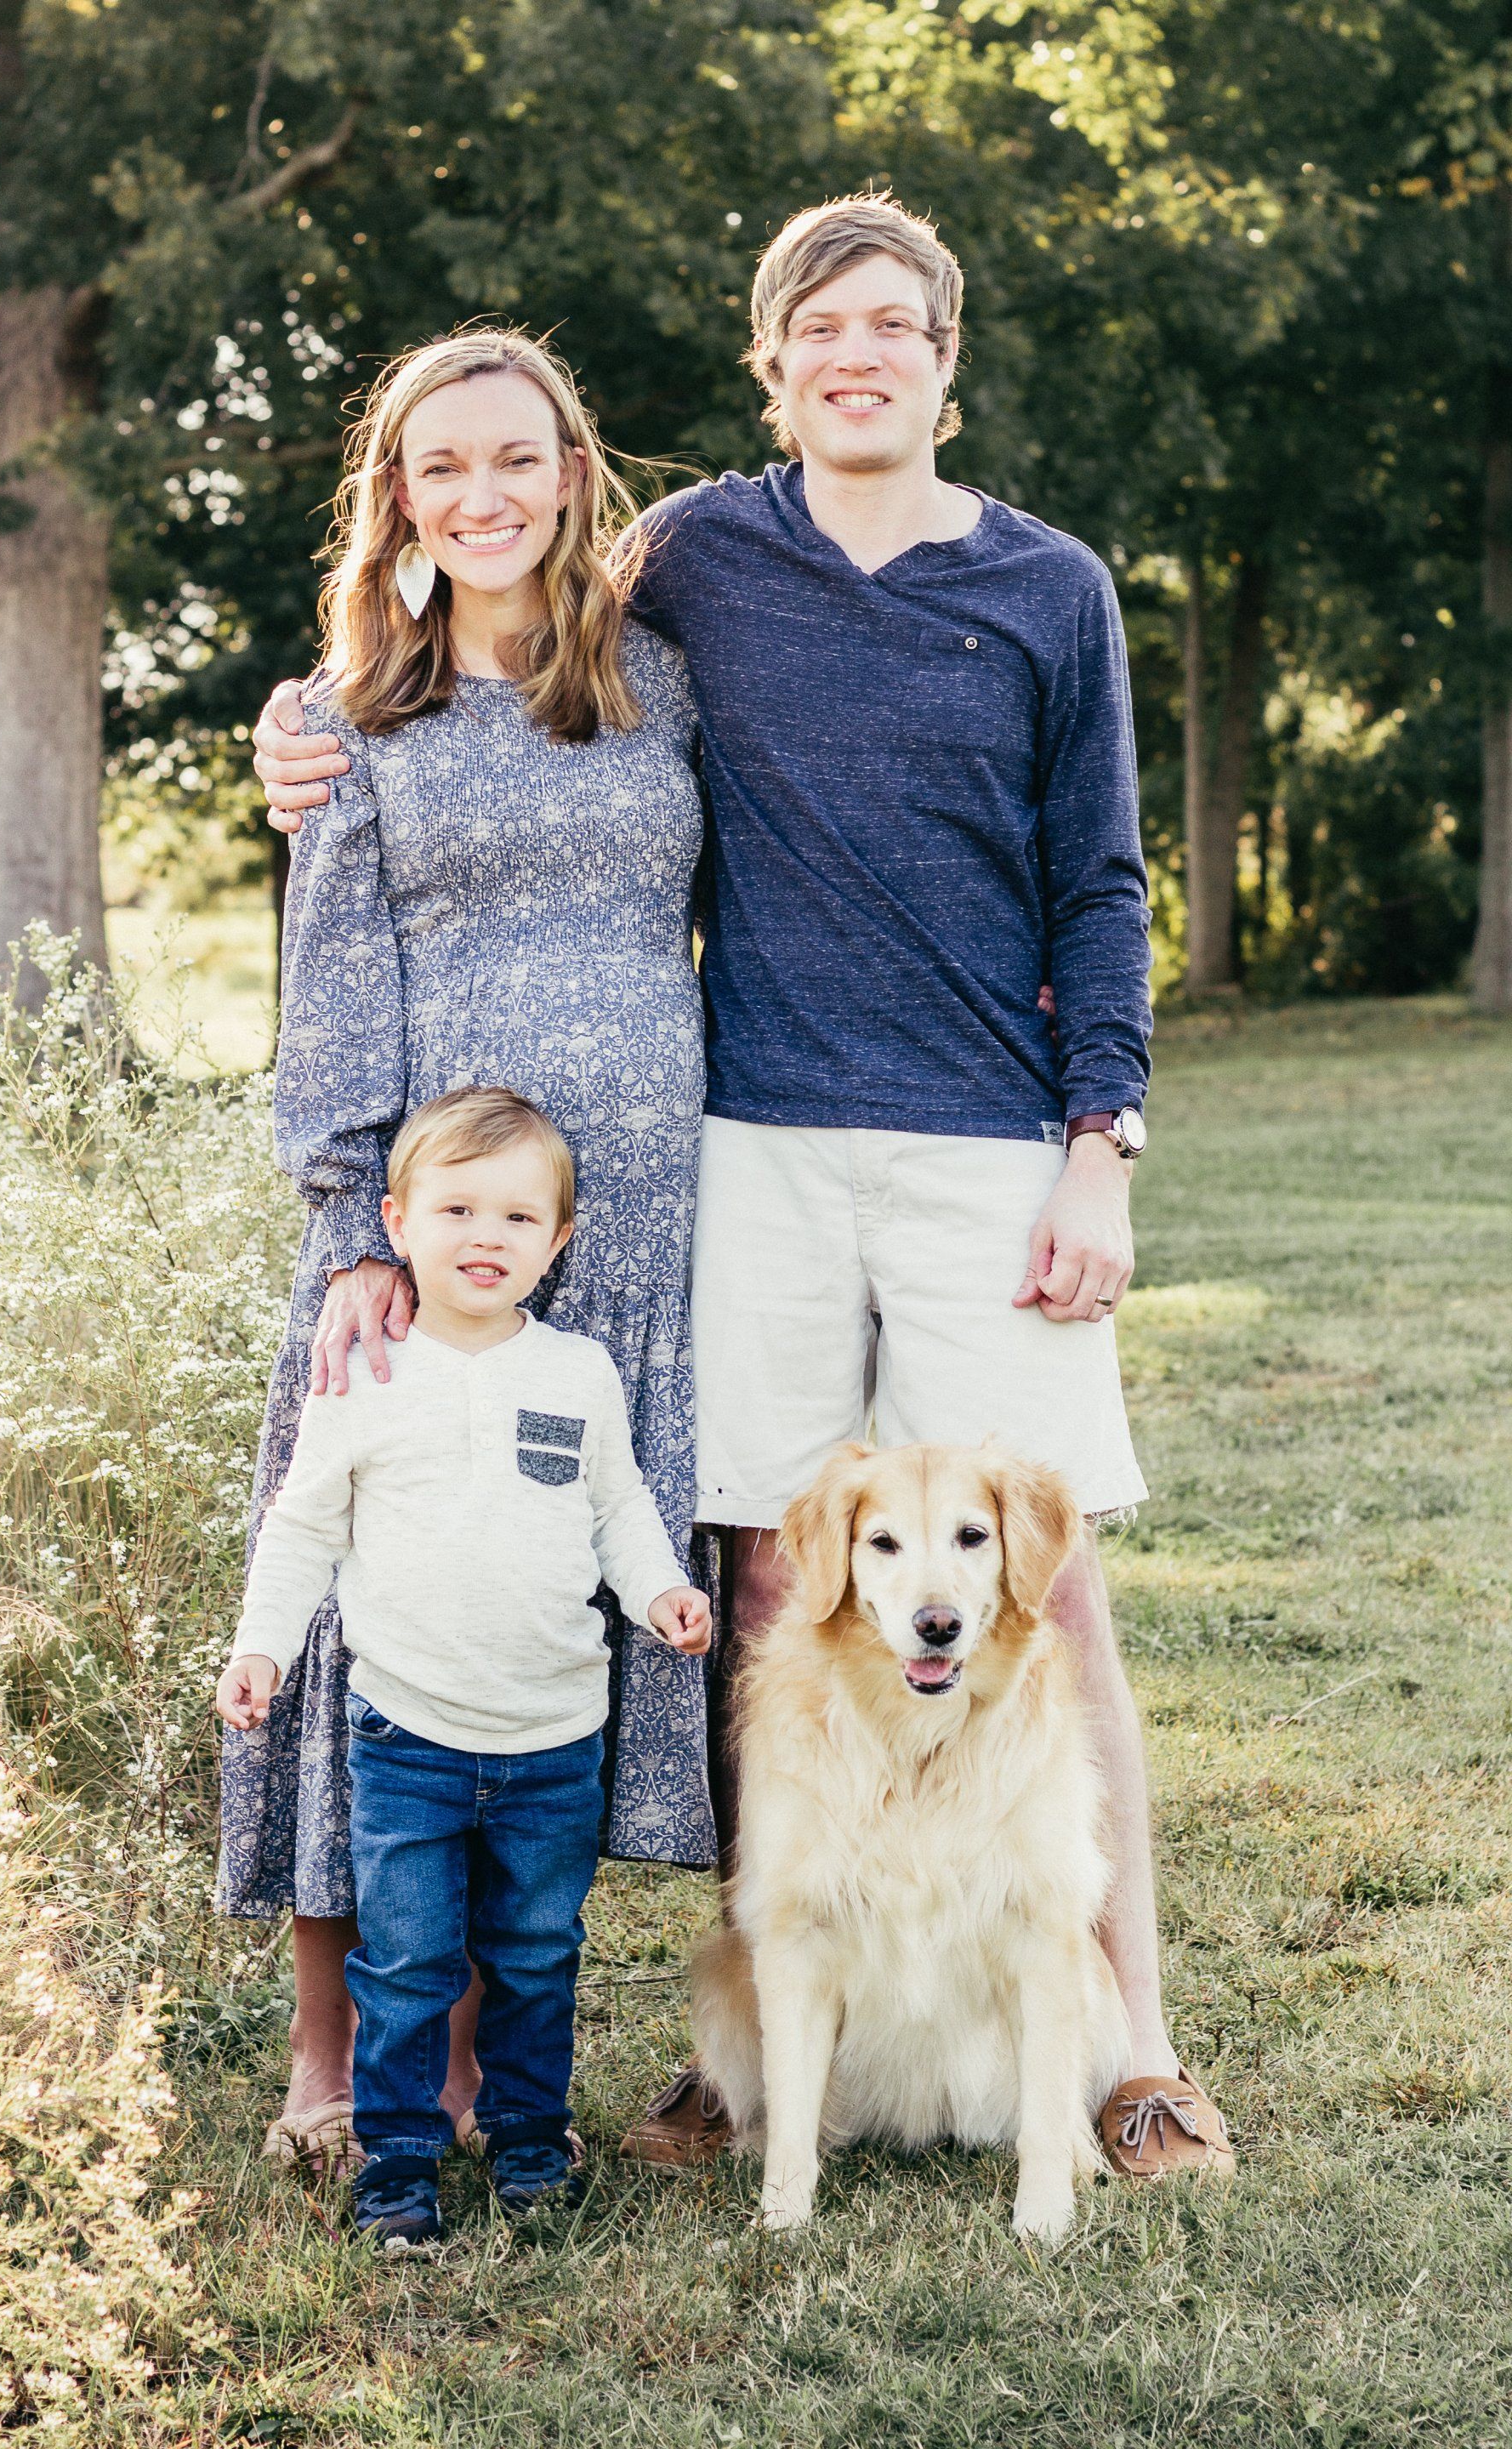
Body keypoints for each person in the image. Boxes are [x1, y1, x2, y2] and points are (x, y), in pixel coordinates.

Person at [252, 194, 1235, 2185]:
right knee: (771, 1580)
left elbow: (1103, 886)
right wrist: (295, 726)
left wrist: (1100, 1145)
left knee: (1051, 1590)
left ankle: (1130, 2052)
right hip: (757, 1149)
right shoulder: (695, 558)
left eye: (895, 328)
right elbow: (476, 597)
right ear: (769, 369)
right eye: (819, 332)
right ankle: (759, 2034)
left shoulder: (1053, 590)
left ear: (948, 361)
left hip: (982, 1144)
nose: (857, 357)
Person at [217, 326, 713, 2179]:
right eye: (443, 468)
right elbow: (330, 983)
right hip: (420, 1238)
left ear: (575, 474)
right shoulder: (352, 718)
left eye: (517, 459)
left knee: (541, 1603)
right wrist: (355, 1225)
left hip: (634, 1230)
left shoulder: (662, 685)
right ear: (400, 498)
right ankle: (335, 2056)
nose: (483, 496)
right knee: (373, 1597)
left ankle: (494, 2054)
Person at [218, 1089, 712, 2249]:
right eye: (455, 1209)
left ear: (559, 1241)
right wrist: (261, 1647)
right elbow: (301, 1530)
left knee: (538, 1955)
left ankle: (529, 2139)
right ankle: (398, 2164)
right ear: (395, 1221)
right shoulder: (368, 1375)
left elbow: (619, 1513)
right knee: (407, 1964)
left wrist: (662, 1593)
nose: (485, 1236)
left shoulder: (578, 1373)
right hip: (410, 1738)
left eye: (517, 1217)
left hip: (553, 1737)